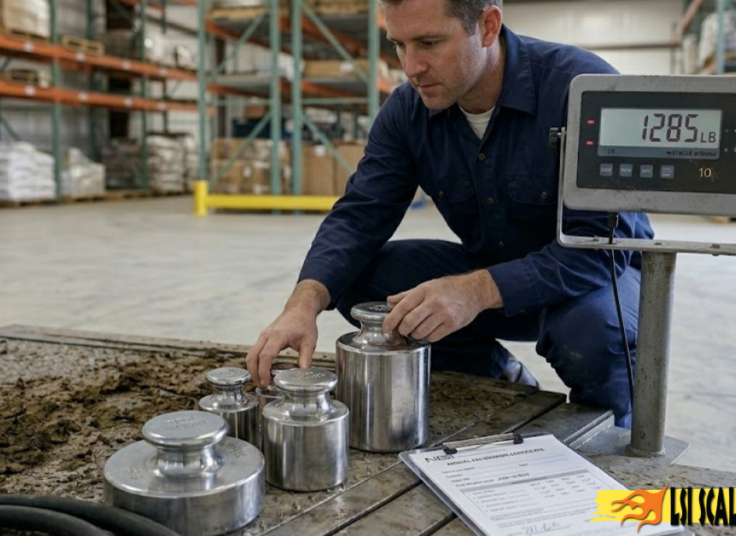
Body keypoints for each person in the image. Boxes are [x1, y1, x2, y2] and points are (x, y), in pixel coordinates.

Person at [244, 0, 652, 428]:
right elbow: (359, 216)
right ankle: (500, 380)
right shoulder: (407, 110)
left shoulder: (582, 88)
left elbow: (600, 248)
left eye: (430, 43)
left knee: (593, 334)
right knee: (360, 284)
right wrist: (302, 306)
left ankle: (611, 434)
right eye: (399, 45)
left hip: (592, 280)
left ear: (488, 26)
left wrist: (474, 291)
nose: (411, 66)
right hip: (492, 270)